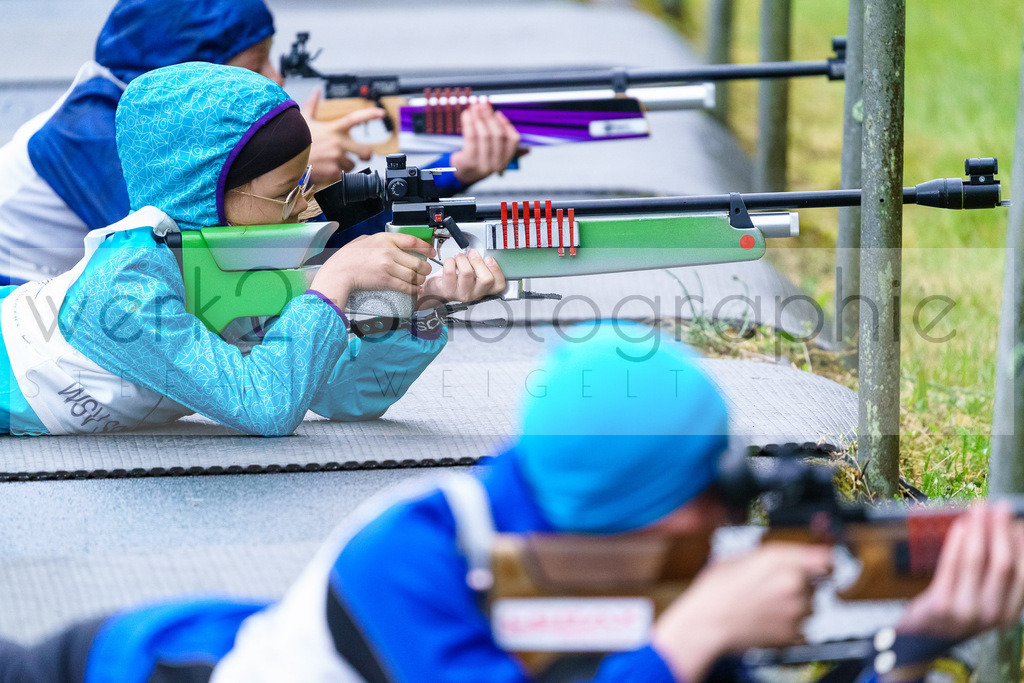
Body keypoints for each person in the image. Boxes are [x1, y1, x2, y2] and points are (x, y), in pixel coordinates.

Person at [2, 324, 1022, 682]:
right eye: (706, 498)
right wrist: (690, 637)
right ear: (623, 506)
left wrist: (919, 639)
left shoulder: (646, 584)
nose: (725, 524)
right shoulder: (411, 550)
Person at [0, 60, 505, 437]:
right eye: (289, 191)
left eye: (306, 184)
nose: (307, 208)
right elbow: (263, 405)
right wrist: (335, 282)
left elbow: (345, 395)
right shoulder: (124, 289)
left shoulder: (237, 263)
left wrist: (418, 308)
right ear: (205, 195)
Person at [0, 0, 519, 285]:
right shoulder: (92, 136)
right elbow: (240, 260)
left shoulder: (125, 111)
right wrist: (302, 168)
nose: (276, 77)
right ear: (187, 69)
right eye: (255, 65)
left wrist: (457, 170)